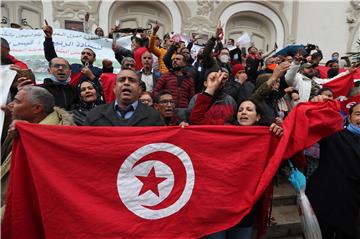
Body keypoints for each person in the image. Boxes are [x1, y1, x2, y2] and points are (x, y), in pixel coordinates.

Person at [1, 86, 75, 218]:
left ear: (37, 109)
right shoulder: (22, 127)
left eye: (17, 102)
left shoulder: (52, 141)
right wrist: (8, 119)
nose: (11, 105)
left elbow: (36, 193)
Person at [306, 102, 360, 239]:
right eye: (358, 114)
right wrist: (319, 103)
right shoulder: (335, 135)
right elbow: (312, 122)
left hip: (354, 210)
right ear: (349, 118)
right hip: (327, 204)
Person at [83, 69, 164, 126]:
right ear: (114, 88)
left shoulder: (154, 117)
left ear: (140, 90)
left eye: (132, 80)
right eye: (122, 80)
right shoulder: (95, 115)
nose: (126, 83)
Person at [42, 22, 103, 89]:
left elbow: (103, 88)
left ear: (94, 59)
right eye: (83, 53)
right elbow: (53, 59)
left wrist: (91, 75)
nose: (85, 55)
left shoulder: (98, 71)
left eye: (88, 54)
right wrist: (48, 38)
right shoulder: (74, 67)